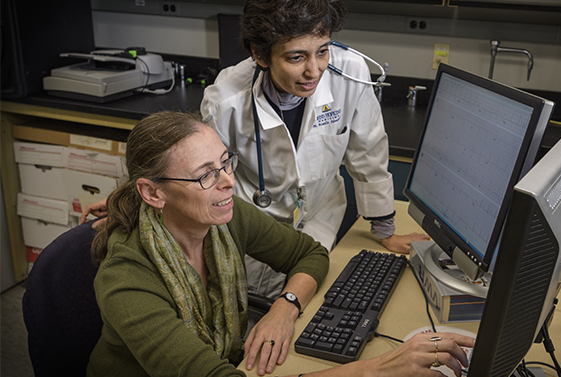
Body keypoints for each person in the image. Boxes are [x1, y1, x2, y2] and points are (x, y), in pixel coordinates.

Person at [81, 0, 429, 304]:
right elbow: (193, 170)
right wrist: (129, 203)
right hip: (256, 225)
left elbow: (368, 150)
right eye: (296, 57)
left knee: (311, 305)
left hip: (323, 214)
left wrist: (385, 228)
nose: (315, 70)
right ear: (260, 54)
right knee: (253, 314)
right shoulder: (227, 100)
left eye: (322, 50)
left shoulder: (349, 72)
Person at [86, 110, 474, 377]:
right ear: (153, 194)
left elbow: (309, 253)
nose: (227, 182)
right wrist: (380, 367)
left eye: (225, 163)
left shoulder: (226, 217)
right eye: (206, 175)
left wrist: (284, 308)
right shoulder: (126, 279)